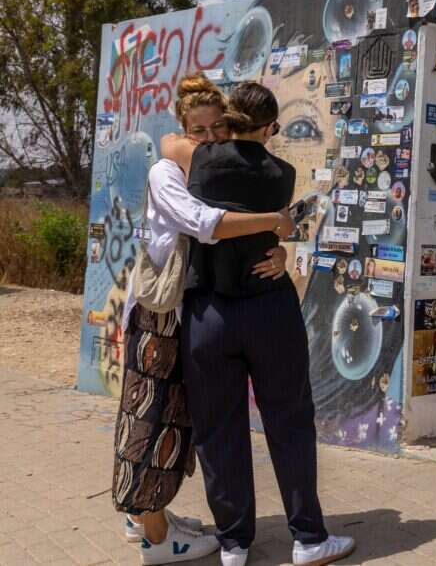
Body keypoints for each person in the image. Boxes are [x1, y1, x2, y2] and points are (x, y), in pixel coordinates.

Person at [165, 82, 354, 566]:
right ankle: (309, 539)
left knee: (218, 429)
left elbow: (171, 144)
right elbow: (269, 220)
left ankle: (233, 543)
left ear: (227, 119)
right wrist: (281, 236)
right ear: (271, 128)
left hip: (208, 314)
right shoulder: (283, 174)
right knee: (289, 421)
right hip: (270, 308)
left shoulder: (199, 160)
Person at [115, 74, 294, 565]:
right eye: (198, 130)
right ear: (183, 130)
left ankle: (151, 517)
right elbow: (205, 224)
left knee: (176, 419)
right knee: (146, 422)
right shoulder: (167, 172)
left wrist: (280, 249)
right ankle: (152, 536)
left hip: (188, 314)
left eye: (218, 129)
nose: (210, 139)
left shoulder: (210, 167)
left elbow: (241, 228)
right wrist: (274, 220)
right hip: (158, 315)